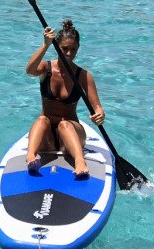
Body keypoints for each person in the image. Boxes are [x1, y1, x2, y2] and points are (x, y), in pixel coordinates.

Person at [24, 19, 105, 180]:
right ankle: (31, 156)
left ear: (78, 49)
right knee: (41, 120)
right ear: (56, 47)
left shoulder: (83, 75)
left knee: (64, 124)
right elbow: (29, 70)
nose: (69, 54)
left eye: (73, 50)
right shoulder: (46, 69)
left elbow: (97, 107)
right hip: (46, 138)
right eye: (64, 49)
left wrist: (99, 115)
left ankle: (80, 162)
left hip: (71, 135)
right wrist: (45, 44)